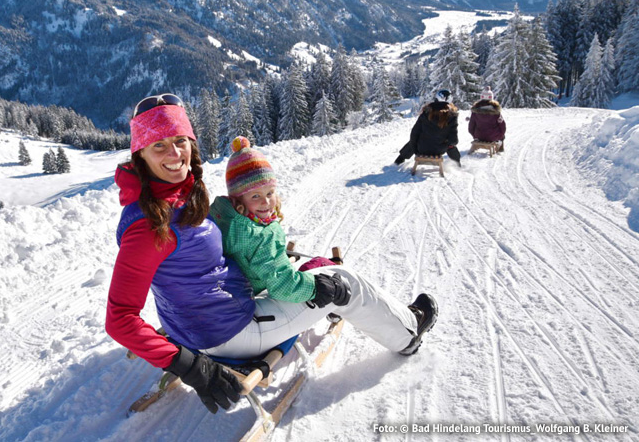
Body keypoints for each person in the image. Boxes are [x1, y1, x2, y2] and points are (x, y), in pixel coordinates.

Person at [106, 94, 437, 416]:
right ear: (141, 155)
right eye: (159, 145)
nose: (174, 152)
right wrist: (190, 366)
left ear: (192, 143)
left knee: (294, 271)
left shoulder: (181, 192)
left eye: (180, 140)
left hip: (200, 322)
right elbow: (119, 319)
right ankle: (408, 332)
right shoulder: (149, 226)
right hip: (229, 332)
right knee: (343, 282)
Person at [209, 136, 349, 307]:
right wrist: (318, 288)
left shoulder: (221, 215)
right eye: (255, 196)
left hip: (230, 293)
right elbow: (283, 286)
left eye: (270, 193)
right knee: (321, 265)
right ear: (238, 198)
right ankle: (335, 304)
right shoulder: (262, 236)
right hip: (257, 300)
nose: (266, 202)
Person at [394, 89, 461, 166]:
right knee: (451, 145)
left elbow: (415, 132)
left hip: (422, 148)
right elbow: (453, 140)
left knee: (414, 140)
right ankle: (457, 164)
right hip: (439, 150)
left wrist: (415, 149)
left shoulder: (426, 112)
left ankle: (399, 160)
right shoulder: (452, 116)